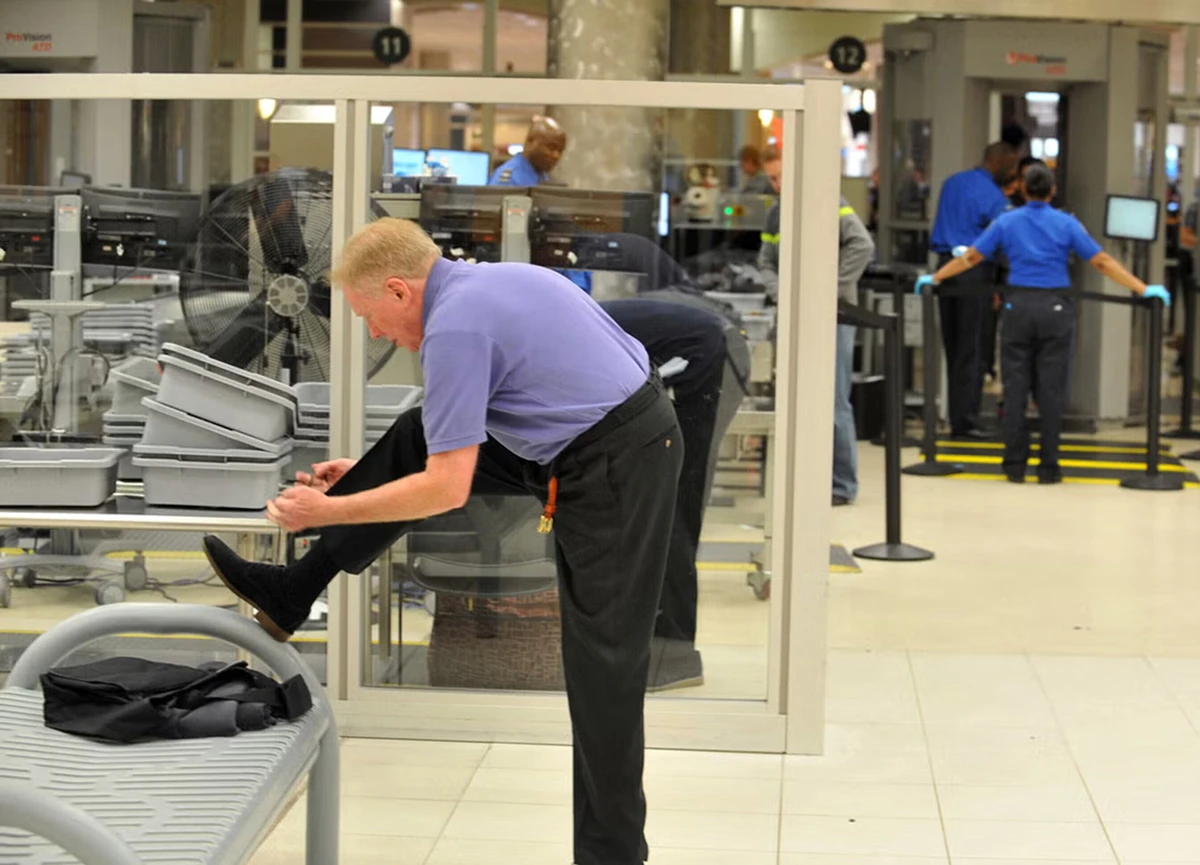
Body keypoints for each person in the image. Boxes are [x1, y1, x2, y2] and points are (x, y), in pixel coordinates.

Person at [201, 217, 682, 865]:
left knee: (604, 673)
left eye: (370, 316)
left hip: (622, 459)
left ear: (400, 290)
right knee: (415, 436)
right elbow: (441, 446)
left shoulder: (456, 326)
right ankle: (293, 591)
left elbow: (446, 489)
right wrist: (356, 489)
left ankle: (614, 856)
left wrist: (325, 509)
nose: (373, 332)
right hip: (585, 440)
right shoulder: (485, 286)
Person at [917, 164, 1171, 484]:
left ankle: (1014, 465)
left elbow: (971, 258)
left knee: (1015, 387)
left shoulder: (1006, 221)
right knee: (1051, 389)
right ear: (1052, 191)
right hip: (1056, 309)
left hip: (1018, 307)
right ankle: (1049, 466)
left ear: (1023, 189)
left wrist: (935, 277)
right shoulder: (1067, 224)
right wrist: (1143, 288)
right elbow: (1102, 261)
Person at [600, 298, 734, 691]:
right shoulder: (540, 324)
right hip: (692, 352)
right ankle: (655, 644)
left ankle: (676, 656)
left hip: (703, 358)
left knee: (674, 506)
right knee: (662, 506)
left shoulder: (539, 335)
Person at [757, 149, 876, 505]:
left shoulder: (830, 204)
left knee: (834, 400)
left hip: (832, 318)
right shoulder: (776, 214)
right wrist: (783, 294)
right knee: (794, 397)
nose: (777, 185)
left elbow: (863, 245)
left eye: (781, 178)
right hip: (794, 315)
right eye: (772, 179)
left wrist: (828, 291)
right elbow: (765, 261)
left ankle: (842, 485)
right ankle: (802, 480)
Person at [928, 141, 1019, 438]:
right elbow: (1002, 236)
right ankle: (965, 420)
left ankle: (956, 415)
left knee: (952, 346)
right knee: (973, 348)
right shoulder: (993, 196)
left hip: (944, 269)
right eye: (1012, 167)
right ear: (1000, 164)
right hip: (973, 272)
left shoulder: (952, 183)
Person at [488, 115, 567, 186]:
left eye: (560, 150)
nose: (556, 155)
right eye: (551, 147)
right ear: (530, 142)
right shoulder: (509, 180)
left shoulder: (543, 176)